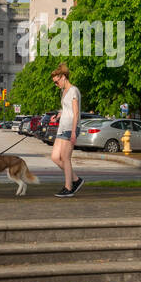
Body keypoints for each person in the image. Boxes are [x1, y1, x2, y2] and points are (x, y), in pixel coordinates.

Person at [50, 63, 82, 197]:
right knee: (55, 157)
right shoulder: (63, 92)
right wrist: (58, 115)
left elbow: (75, 113)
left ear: (63, 77)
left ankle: (68, 188)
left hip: (70, 128)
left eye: (56, 82)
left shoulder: (74, 90)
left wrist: (74, 132)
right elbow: (66, 110)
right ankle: (76, 179)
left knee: (65, 158)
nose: (56, 85)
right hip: (62, 127)